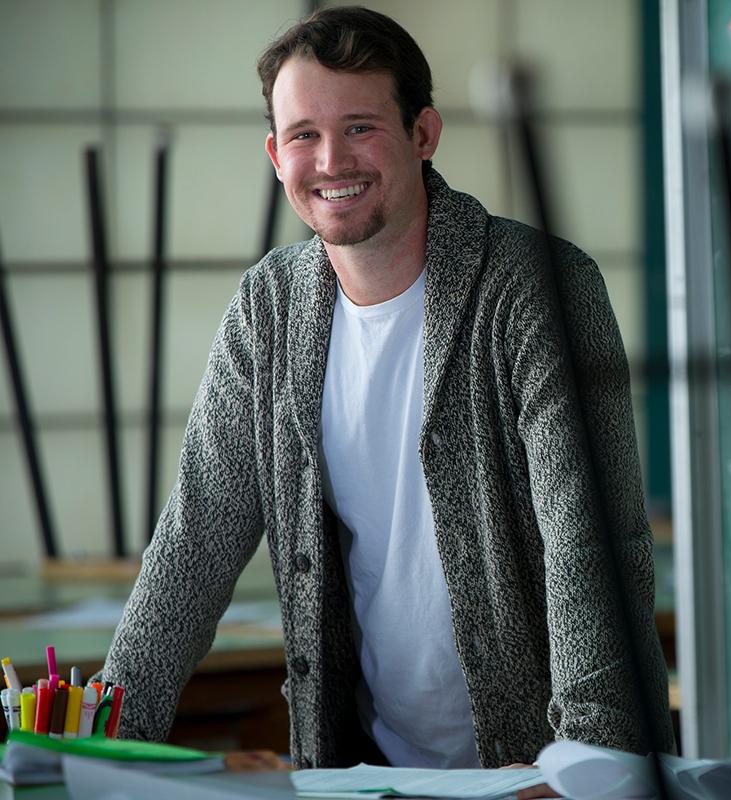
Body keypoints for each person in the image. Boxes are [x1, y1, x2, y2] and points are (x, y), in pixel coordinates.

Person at [101, 4, 673, 775]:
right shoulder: (269, 309)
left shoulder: (537, 287)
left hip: (538, 771)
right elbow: (194, 539)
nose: (331, 160)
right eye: (304, 135)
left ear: (423, 133)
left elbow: (590, 542)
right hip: (362, 771)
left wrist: (592, 762)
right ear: (275, 154)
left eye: (361, 127)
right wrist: (102, 735)